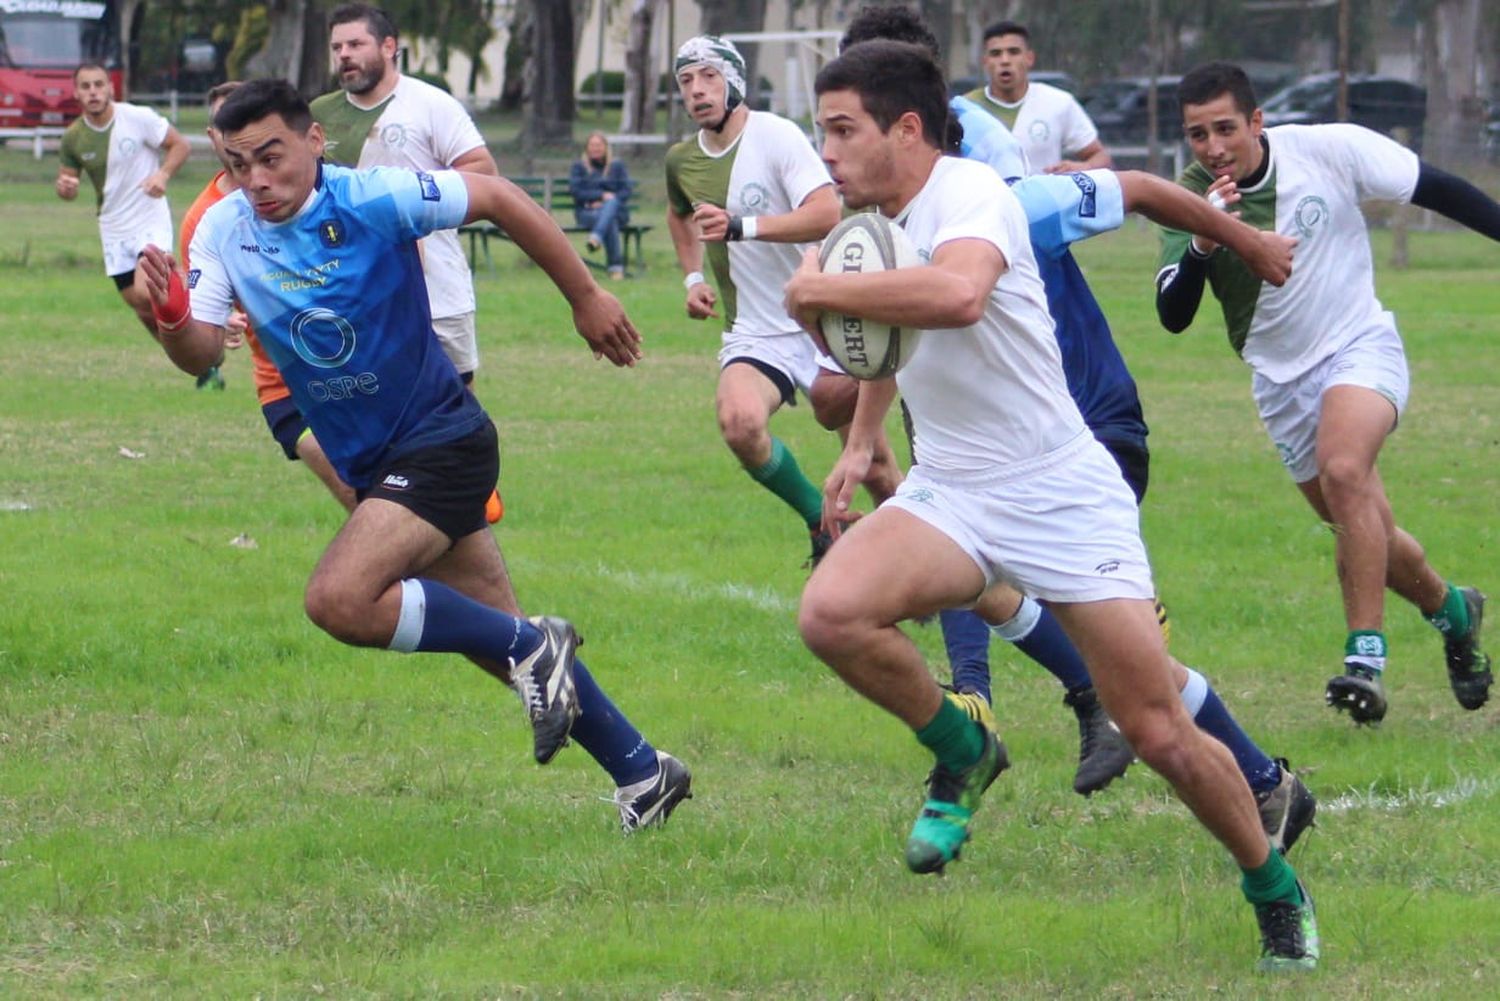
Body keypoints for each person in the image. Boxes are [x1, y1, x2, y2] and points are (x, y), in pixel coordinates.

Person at [785, 40, 1318, 971]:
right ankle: (965, 746)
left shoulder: (975, 197)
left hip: (1060, 491)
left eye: (841, 130)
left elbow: (954, 295)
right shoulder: (873, 216)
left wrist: (819, 288)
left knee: (1155, 730)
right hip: (952, 487)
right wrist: (867, 440)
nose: (824, 153)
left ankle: (1274, 884)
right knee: (831, 611)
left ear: (905, 129)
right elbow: (899, 335)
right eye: (820, 130)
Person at [138, 78, 691, 833]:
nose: (258, 179)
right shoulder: (222, 230)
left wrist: (584, 297)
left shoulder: (372, 197)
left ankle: (540, 642)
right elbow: (202, 352)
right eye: (239, 164)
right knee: (499, 640)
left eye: (272, 157)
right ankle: (642, 770)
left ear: (313, 141)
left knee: (340, 599)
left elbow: (500, 200)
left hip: (443, 440)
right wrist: (167, 315)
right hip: (372, 459)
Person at [1157, 61, 1498, 724]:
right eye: (1198, 134)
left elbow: (1437, 188)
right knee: (1365, 527)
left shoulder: (1327, 149)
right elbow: (1172, 313)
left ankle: (1364, 659)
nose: (1214, 147)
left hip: (1358, 345)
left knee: (1346, 469)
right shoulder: (1190, 195)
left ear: (1257, 121)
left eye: (1225, 127)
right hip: (1279, 384)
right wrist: (1203, 242)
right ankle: (1454, 610)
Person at [664, 35, 895, 566]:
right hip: (756, 332)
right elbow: (679, 214)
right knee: (740, 423)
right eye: (686, 81)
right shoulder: (682, 160)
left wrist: (742, 227)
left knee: (878, 467)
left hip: (822, 324)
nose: (697, 91)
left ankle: (919, 566)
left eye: (708, 76)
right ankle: (822, 522)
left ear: (735, 81)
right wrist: (692, 277)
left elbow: (824, 214)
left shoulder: (776, 136)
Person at [172, 81, 356, 510]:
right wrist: (215, 321)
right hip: (285, 387)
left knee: (390, 501)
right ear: (215, 134)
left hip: (358, 373)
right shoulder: (207, 222)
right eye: (224, 125)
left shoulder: (329, 194)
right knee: (357, 491)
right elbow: (205, 320)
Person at [311, 3, 494, 386]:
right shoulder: (318, 116)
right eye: (337, 47)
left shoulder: (430, 104)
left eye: (356, 44)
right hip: (353, 291)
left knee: (456, 405)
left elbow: (482, 173)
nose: (344, 54)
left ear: (389, 46)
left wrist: (413, 211)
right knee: (376, 409)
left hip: (436, 288)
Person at [55, 65, 194, 359]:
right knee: (142, 309)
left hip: (148, 215)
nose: (93, 91)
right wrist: (66, 189)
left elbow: (179, 145)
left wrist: (163, 175)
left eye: (98, 84)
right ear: (76, 92)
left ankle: (197, 303)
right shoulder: (72, 138)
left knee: (148, 290)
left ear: (110, 88)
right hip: (113, 225)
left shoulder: (137, 117)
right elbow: (68, 184)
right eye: (85, 86)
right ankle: (191, 358)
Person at [962, 21, 1109, 175]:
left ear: (1029, 58)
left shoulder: (1058, 102)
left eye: (1013, 52)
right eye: (996, 54)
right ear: (985, 62)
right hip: (988, 199)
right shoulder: (965, 109)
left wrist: (1082, 168)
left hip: (1043, 198)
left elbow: (1100, 157)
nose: (1005, 61)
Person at [570, 131, 633, 280]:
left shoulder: (616, 166)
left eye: (598, 145)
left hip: (617, 212)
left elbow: (626, 190)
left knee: (610, 206)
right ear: (586, 148)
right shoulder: (579, 167)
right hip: (587, 213)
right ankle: (615, 269)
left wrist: (607, 201)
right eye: (592, 145)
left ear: (605, 147)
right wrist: (600, 196)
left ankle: (596, 237)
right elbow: (576, 192)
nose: (595, 148)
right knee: (609, 218)